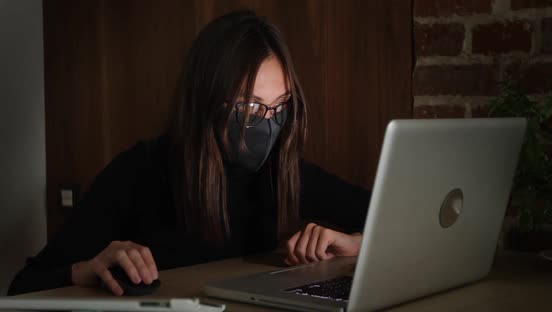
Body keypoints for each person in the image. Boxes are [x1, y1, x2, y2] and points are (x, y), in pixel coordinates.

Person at [8, 10, 369, 296]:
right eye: (251, 107)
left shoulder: (283, 172)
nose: (270, 123)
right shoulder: (139, 171)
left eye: (280, 105)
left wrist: (354, 243)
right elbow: (23, 285)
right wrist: (86, 270)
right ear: (209, 101)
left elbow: (394, 220)